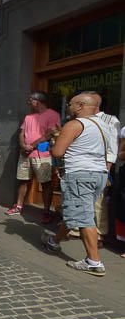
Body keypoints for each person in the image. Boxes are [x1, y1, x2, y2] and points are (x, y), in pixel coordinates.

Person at [42, 93, 108, 276]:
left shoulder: (74, 124)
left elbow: (57, 152)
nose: (69, 107)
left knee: (85, 217)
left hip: (80, 174)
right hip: (99, 174)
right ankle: (55, 241)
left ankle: (94, 262)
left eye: (70, 104)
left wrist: (53, 144)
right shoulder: (104, 125)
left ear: (80, 105)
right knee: (78, 211)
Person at [5, 91, 61, 223]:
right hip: (25, 154)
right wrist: (23, 145)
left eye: (30, 100)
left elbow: (50, 134)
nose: (28, 102)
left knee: (46, 183)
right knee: (23, 180)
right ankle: (18, 206)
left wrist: (32, 145)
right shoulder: (28, 117)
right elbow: (22, 132)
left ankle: (46, 211)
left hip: (42, 154)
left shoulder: (52, 114)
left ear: (37, 101)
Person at [90, 92, 120, 242]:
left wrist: (107, 167)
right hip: (83, 165)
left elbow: (113, 146)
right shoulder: (82, 120)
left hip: (100, 166)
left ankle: (100, 233)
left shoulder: (110, 120)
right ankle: (76, 229)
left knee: (99, 201)